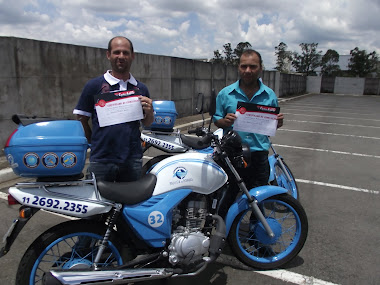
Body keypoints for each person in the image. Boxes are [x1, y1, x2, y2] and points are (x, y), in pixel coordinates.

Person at [73, 36, 154, 182]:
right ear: (108, 55)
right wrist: (93, 142)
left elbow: (147, 123)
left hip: (132, 159)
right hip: (101, 160)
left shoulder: (140, 88)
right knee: (99, 203)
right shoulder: (94, 86)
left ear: (132, 56)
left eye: (125, 52)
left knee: (130, 203)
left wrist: (149, 111)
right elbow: (81, 119)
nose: (121, 57)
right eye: (117, 52)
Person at [213, 49, 284, 215]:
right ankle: (223, 233)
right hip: (232, 155)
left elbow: (271, 124)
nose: (248, 71)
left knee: (259, 198)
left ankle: (255, 236)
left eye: (252, 66)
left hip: (259, 155)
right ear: (238, 67)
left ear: (260, 68)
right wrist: (224, 121)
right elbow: (217, 119)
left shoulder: (269, 95)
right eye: (244, 66)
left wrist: (278, 123)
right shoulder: (225, 94)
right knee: (228, 195)